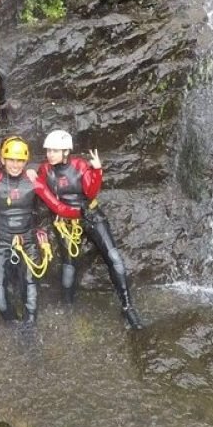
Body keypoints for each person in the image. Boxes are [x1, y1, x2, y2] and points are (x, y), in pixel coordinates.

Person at [0, 136, 81, 327]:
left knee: (30, 286)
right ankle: (11, 321)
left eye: (20, 160)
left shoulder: (34, 183)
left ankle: (29, 324)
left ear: (25, 161)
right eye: (11, 160)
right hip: (2, 241)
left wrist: (82, 212)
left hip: (27, 239)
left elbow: (58, 207)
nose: (15, 165)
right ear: (3, 160)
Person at [36, 130, 144, 330]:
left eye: (54, 151)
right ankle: (68, 306)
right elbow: (51, 202)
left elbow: (91, 192)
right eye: (49, 150)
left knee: (113, 257)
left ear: (66, 152)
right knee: (69, 264)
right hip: (66, 219)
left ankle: (128, 306)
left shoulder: (79, 165)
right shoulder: (45, 170)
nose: (50, 154)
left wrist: (97, 171)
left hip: (91, 215)